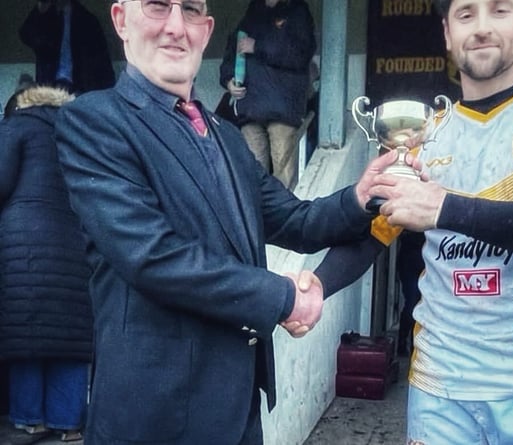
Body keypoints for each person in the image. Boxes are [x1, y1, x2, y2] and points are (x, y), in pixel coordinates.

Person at [53, 1, 394, 444]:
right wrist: (284, 296)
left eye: (191, 10)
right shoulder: (94, 121)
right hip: (153, 417)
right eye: (158, 6)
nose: (176, 27)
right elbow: (153, 257)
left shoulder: (227, 136)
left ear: (208, 29)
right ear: (121, 20)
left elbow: (296, 220)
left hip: (238, 410)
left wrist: (358, 197)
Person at [314, 1, 513, 444]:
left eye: (499, 10)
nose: (481, 28)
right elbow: (371, 237)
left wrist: (443, 209)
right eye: (466, 13)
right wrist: (311, 289)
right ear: (447, 33)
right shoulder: (425, 134)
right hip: (439, 388)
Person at [0, 85, 92, 445]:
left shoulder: (18, 126)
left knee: (27, 330)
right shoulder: (77, 134)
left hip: (25, 243)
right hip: (74, 242)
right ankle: (69, 423)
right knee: (69, 336)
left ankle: (29, 419)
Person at [219, 0, 316, 189]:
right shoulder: (253, 12)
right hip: (250, 108)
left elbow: (300, 54)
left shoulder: (296, 11)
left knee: (284, 175)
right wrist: (228, 80)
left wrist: (258, 46)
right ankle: (258, 218)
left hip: (282, 109)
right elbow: (233, 51)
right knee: (253, 174)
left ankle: (285, 218)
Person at [19, 0, 116, 94]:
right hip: (49, 86)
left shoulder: (86, 19)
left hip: (79, 87)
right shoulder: (46, 16)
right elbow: (27, 36)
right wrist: (41, 9)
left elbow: (102, 62)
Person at [395, 230, 424, 356]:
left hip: (424, 263)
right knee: (412, 304)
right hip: (409, 261)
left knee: (419, 305)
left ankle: (413, 345)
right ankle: (403, 343)